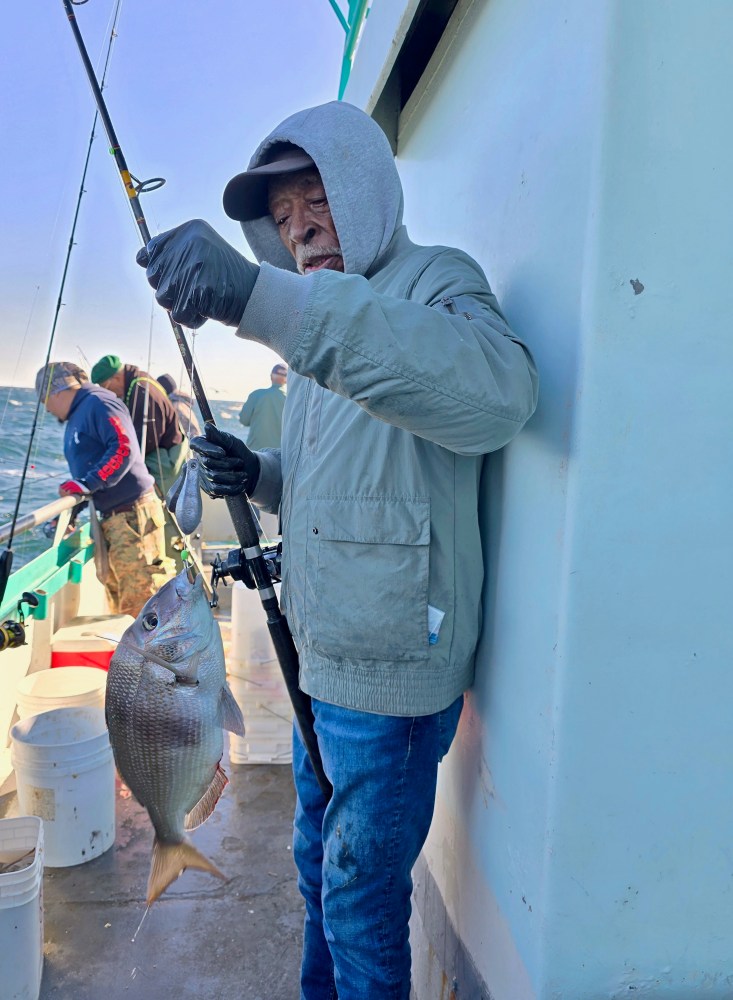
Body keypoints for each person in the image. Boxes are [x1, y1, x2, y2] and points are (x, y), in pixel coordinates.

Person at [136, 101, 539, 999]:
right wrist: (263, 474)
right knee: (319, 868)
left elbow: (497, 396)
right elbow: (347, 473)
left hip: (388, 675)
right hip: (321, 659)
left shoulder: (436, 281)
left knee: (358, 901)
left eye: (313, 200)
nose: (299, 230)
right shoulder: (315, 327)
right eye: (280, 221)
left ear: (361, 184)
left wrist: (252, 296)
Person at [35, 361, 176, 616]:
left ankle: (157, 656)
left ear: (55, 392)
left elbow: (123, 447)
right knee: (122, 603)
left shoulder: (97, 403)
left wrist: (86, 484)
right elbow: (87, 473)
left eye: (43, 401)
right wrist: (71, 512)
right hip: (116, 519)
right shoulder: (81, 411)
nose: (45, 408)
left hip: (133, 516)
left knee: (142, 605)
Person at [89, 354, 185, 497]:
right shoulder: (141, 379)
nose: (109, 393)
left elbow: (147, 440)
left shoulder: (142, 390)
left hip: (163, 462)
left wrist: (116, 460)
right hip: (167, 453)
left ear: (116, 378)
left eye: (106, 387)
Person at [238, 362, 287, 449]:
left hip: (255, 453)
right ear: (286, 380)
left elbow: (244, 420)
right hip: (280, 455)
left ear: (271, 376)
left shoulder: (256, 394)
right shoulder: (289, 400)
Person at [156, 372, 203, 439]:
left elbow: (192, 434)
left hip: (189, 447)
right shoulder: (181, 403)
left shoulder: (175, 407)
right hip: (194, 445)